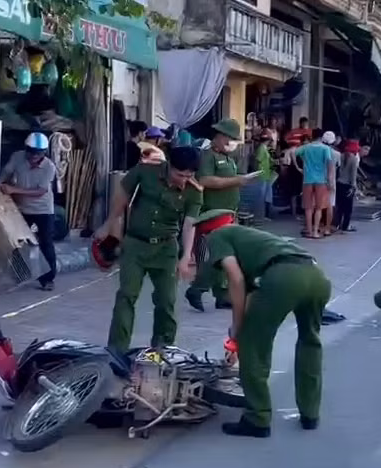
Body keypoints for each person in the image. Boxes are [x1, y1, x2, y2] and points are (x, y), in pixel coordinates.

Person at [194, 221, 330, 437]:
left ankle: (257, 418)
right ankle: (310, 413)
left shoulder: (216, 237)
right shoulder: (252, 237)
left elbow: (236, 280)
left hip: (284, 278)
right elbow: (251, 294)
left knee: (254, 345)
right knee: (310, 341)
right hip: (316, 275)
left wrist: (238, 333)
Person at [96, 146, 203, 353]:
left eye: (188, 176)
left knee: (166, 301)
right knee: (126, 296)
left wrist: (186, 257)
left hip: (166, 248)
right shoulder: (146, 172)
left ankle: (163, 349)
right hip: (135, 244)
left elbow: (190, 224)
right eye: (179, 174)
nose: (183, 180)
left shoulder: (194, 191)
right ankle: (117, 350)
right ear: (169, 166)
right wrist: (109, 223)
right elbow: (123, 194)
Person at [186, 119, 257, 312]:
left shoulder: (229, 159)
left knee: (224, 255)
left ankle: (220, 294)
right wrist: (237, 181)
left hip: (228, 213)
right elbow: (206, 180)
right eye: (230, 138)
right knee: (220, 256)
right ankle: (198, 289)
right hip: (212, 213)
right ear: (220, 137)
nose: (232, 142)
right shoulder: (208, 156)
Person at [0, 132, 58, 290]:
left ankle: (48, 279)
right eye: (31, 152)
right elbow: (7, 172)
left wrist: (13, 190)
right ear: (26, 150)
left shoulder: (49, 167)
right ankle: (19, 274)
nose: (34, 156)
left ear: (44, 153)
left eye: (38, 153)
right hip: (22, 208)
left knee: (46, 243)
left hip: (43, 210)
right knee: (17, 242)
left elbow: (40, 191)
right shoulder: (17, 157)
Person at [295, 129, 336, 239]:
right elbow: (329, 164)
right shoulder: (325, 148)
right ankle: (315, 232)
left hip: (307, 179)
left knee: (308, 207)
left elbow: (294, 152)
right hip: (321, 180)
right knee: (319, 207)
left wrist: (301, 164)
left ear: (311, 136)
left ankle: (308, 230)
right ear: (321, 137)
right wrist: (330, 179)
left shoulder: (306, 147)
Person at [334, 140, 367, 233]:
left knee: (339, 206)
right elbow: (353, 175)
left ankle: (337, 224)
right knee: (348, 208)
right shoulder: (354, 159)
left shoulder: (340, 155)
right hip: (348, 185)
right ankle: (345, 226)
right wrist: (354, 187)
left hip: (339, 184)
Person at [252, 130, 278, 220]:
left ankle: (264, 215)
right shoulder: (261, 148)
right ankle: (260, 215)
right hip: (262, 175)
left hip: (266, 175)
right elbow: (257, 161)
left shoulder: (264, 148)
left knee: (266, 197)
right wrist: (256, 173)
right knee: (261, 197)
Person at [320, 131, 340, 236]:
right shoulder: (336, 154)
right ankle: (327, 228)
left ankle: (318, 227)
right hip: (331, 181)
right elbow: (337, 167)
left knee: (318, 205)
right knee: (330, 205)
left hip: (319, 180)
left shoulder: (319, 151)